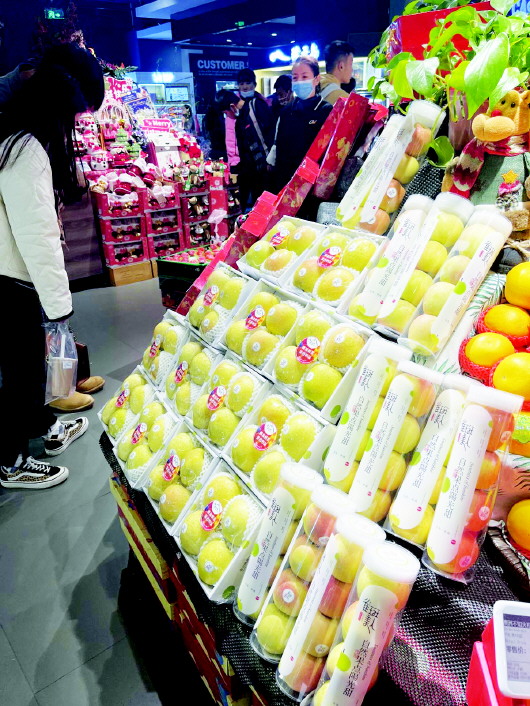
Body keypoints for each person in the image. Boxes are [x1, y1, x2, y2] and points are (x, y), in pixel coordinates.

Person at [0, 44, 104, 489]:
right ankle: (12, 462)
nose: (74, 127)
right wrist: (59, 306)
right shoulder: (24, 150)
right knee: (22, 369)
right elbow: (37, 236)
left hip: (13, 274)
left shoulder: (14, 138)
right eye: (75, 116)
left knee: (30, 362)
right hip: (12, 279)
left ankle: (42, 428)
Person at [269, 56, 333, 194]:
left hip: (313, 186)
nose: (299, 81)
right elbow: (280, 150)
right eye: (295, 77)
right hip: (286, 184)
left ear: (316, 79)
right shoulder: (286, 111)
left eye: (304, 77)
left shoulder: (325, 110)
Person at [235, 68, 274, 209]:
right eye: (241, 84)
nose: (245, 87)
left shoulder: (258, 104)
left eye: (248, 83)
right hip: (246, 161)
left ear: (254, 84)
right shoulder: (238, 106)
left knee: (261, 196)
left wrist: (270, 158)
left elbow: (269, 132)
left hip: (260, 160)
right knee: (249, 198)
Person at [215, 89, 244, 172]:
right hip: (235, 161)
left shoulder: (244, 116)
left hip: (241, 161)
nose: (226, 115)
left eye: (225, 112)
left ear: (232, 106)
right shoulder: (230, 118)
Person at [320, 40, 355, 106]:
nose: (352, 70)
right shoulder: (345, 101)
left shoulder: (314, 86)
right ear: (341, 66)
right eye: (351, 64)